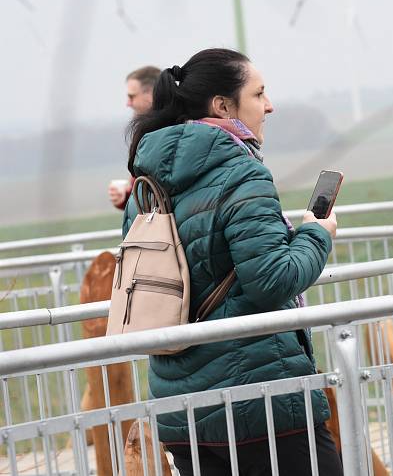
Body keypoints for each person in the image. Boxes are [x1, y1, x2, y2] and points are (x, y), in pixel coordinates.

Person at [124, 49, 342, 475]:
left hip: (181, 406)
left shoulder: (145, 184)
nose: (270, 105)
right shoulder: (242, 173)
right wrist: (317, 233)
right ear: (222, 106)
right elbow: (272, 279)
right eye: (259, 93)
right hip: (260, 400)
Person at [109, 66, 161, 210]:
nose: (128, 103)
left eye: (132, 96)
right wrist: (126, 197)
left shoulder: (162, 133)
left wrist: (130, 196)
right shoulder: (151, 130)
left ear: (151, 93)